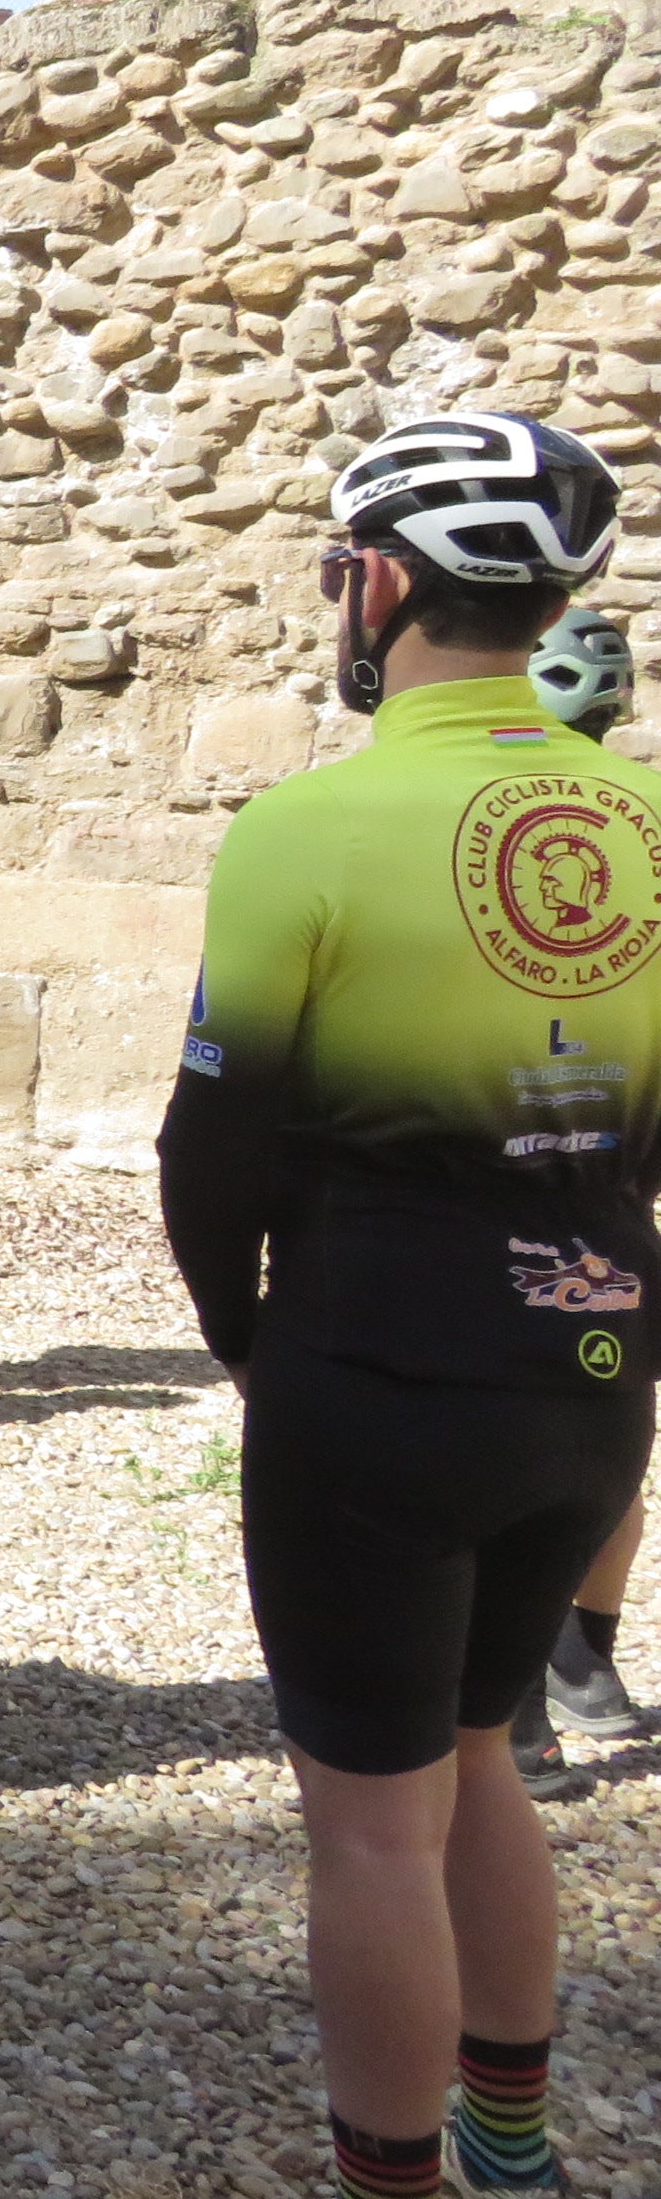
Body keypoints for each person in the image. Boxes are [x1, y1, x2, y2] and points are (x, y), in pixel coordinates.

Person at [164, 414, 654, 2199]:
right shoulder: (645, 817)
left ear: (373, 584)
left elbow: (209, 1147)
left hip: (370, 1368)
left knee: (370, 1823)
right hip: (596, 1368)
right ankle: (511, 2170)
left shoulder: (304, 826)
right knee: (477, 1747)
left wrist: (241, 1336)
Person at [519, 609, 651, 1783]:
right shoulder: (644, 824)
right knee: (610, 1449)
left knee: (496, 1454)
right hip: (613, 1189)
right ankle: (584, 1665)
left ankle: (517, 1706)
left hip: (489, 1178)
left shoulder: (468, 822)